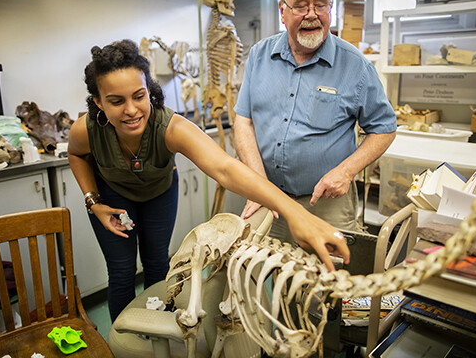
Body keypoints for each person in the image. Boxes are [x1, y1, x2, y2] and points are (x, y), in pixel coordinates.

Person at [67, 39, 349, 321]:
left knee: (156, 264)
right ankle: (121, 342)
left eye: (139, 97)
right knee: (121, 270)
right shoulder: (87, 129)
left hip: (158, 193)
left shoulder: (170, 127)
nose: (131, 110)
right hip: (112, 196)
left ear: (148, 93)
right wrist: (94, 201)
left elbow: (225, 168)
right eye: (116, 101)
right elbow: (76, 154)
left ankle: (156, 332)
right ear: (99, 103)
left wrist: (294, 211)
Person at [234, 0, 397, 244]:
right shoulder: (259, 56)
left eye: (321, 4)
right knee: (267, 280)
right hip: (267, 199)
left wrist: (346, 171)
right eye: (301, 4)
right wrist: (259, 186)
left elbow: (384, 128)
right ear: (282, 11)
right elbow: (244, 121)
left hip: (326, 206)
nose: (312, 14)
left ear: (330, 9)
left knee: (325, 285)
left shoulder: (355, 66)